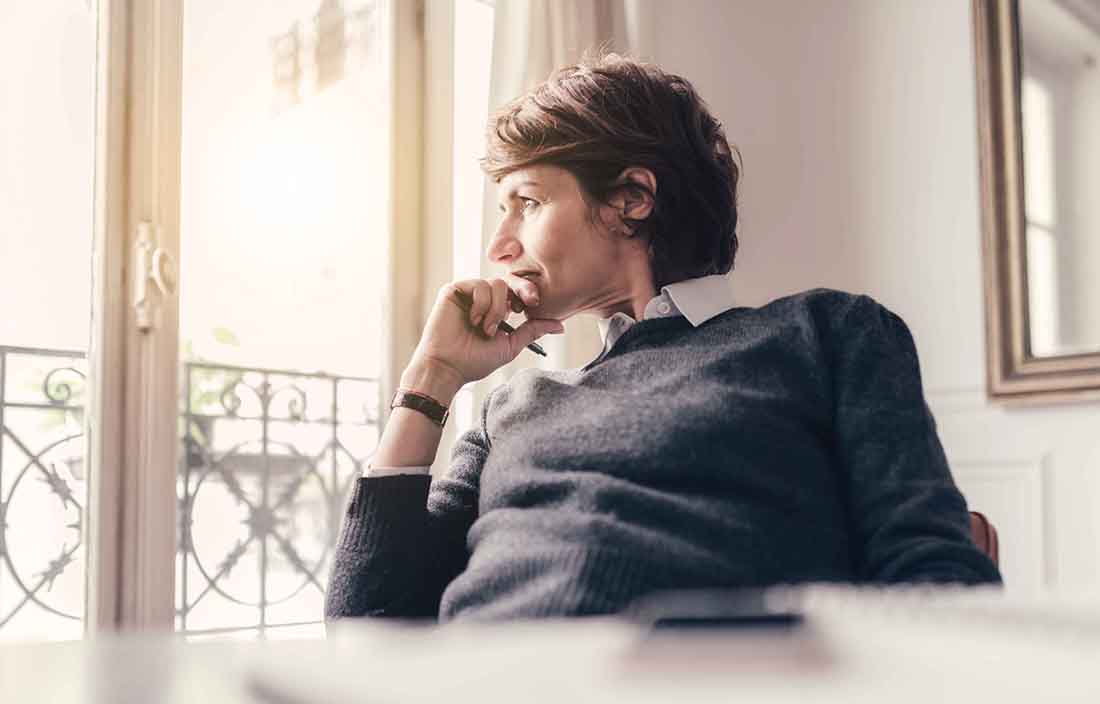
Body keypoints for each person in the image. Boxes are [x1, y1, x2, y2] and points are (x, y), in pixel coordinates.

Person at [323, 51, 1002, 624]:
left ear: (632, 199)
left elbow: (936, 579)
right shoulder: (511, 409)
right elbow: (367, 632)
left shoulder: (826, 334)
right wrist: (432, 377)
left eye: (526, 202)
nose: (499, 245)